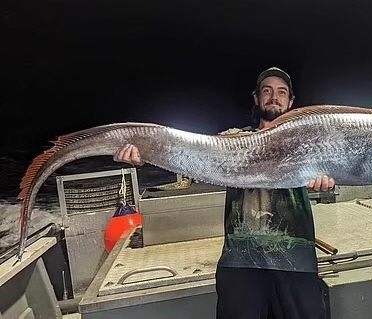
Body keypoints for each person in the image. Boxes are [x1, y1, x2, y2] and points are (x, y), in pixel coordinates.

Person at [113, 67, 334, 319]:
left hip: (296, 260)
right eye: (267, 90)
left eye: (282, 92)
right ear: (256, 97)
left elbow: (337, 168)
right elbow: (188, 155)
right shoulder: (232, 140)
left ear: (291, 101)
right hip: (240, 261)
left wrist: (325, 180)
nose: (274, 97)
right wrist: (145, 154)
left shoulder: (309, 143)